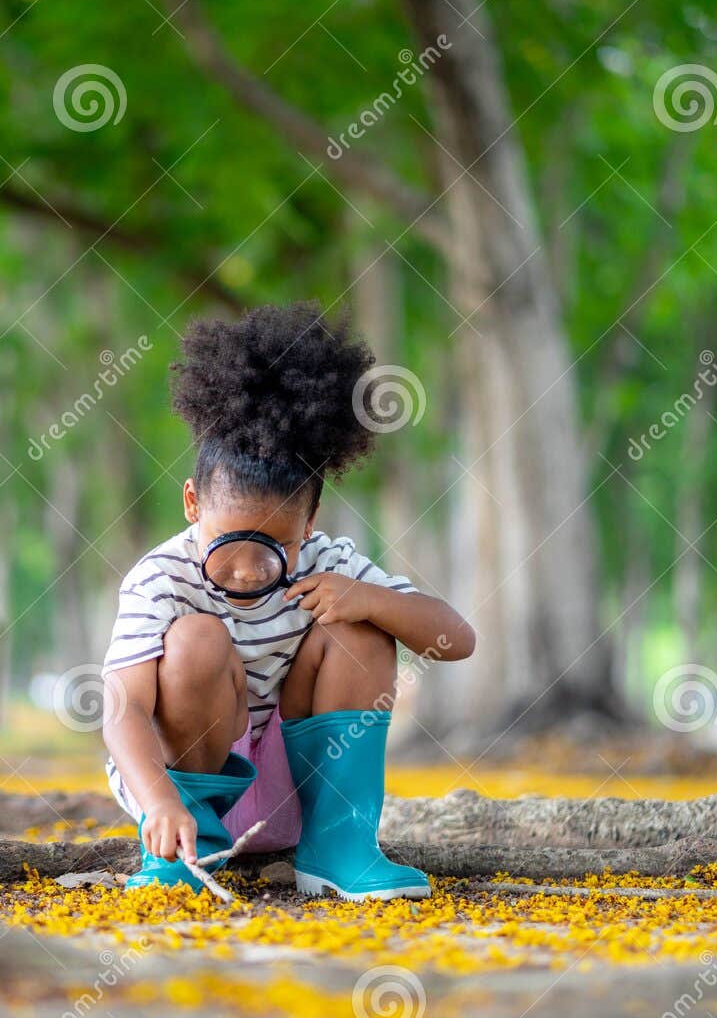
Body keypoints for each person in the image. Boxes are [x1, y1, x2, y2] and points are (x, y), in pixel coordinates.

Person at [101, 302, 475, 900]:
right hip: (181, 789)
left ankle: (339, 848)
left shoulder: (331, 561)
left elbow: (458, 641)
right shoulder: (160, 578)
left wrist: (367, 598)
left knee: (363, 626)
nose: (249, 570)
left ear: (311, 520)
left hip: (296, 787)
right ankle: (184, 849)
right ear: (193, 503)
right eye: (229, 543)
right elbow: (122, 708)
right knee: (196, 638)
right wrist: (159, 804)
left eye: (276, 544)